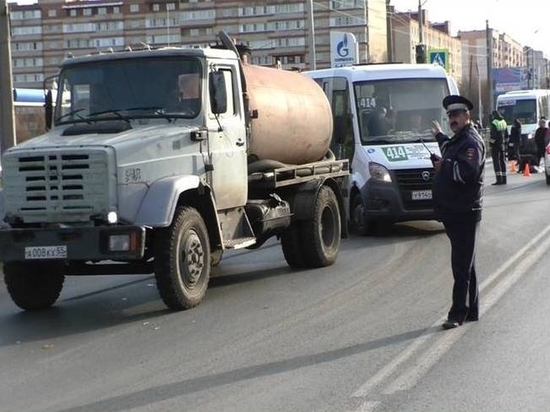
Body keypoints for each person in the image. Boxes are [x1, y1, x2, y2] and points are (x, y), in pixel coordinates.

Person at [430, 95, 485, 330]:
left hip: (465, 211)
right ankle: (471, 310)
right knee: (467, 263)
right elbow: (449, 149)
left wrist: (444, 166)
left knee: (461, 266)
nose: (452, 119)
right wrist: (439, 136)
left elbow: (466, 172)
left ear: (467, 116)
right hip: (455, 211)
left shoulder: (471, 142)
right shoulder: (458, 140)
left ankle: (457, 314)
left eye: (456, 115)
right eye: (450, 116)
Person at [488, 109, 508, 185]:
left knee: (496, 162)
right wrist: (505, 143)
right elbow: (506, 135)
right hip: (502, 144)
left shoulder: (494, 123)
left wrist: (491, 144)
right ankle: (504, 179)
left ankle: (499, 179)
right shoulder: (503, 122)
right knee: (502, 161)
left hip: (496, 145)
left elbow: (493, 136)